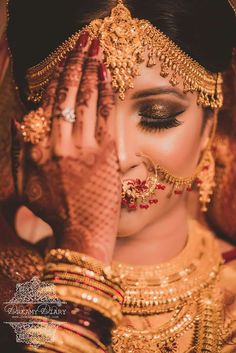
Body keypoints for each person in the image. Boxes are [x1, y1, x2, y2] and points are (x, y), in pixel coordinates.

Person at [0, 0, 236, 352]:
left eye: (158, 115)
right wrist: (82, 250)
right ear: (29, 122)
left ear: (209, 125)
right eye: (80, 118)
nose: (119, 157)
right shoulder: (14, 295)